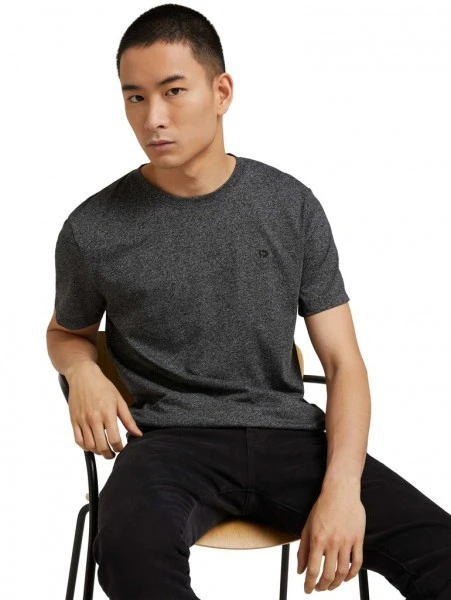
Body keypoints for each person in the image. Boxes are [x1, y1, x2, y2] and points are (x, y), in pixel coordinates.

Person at [46, 4, 451, 599]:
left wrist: (343, 489)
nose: (153, 117)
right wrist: (82, 370)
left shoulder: (291, 206)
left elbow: (344, 364)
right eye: (135, 97)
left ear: (221, 92)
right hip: (167, 443)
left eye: (173, 91)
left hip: (292, 439)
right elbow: (66, 332)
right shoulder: (94, 227)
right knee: (130, 550)